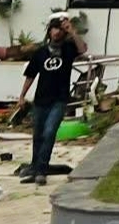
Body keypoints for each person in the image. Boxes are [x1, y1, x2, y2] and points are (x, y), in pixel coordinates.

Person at [14, 14, 88, 186]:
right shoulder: (40, 52)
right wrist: (22, 96)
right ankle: (35, 167)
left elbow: (83, 49)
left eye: (61, 29)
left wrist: (72, 31)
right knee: (38, 135)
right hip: (41, 100)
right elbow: (31, 75)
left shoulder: (68, 49)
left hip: (59, 99)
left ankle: (41, 171)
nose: (57, 32)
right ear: (49, 31)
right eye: (54, 28)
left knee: (49, 132)